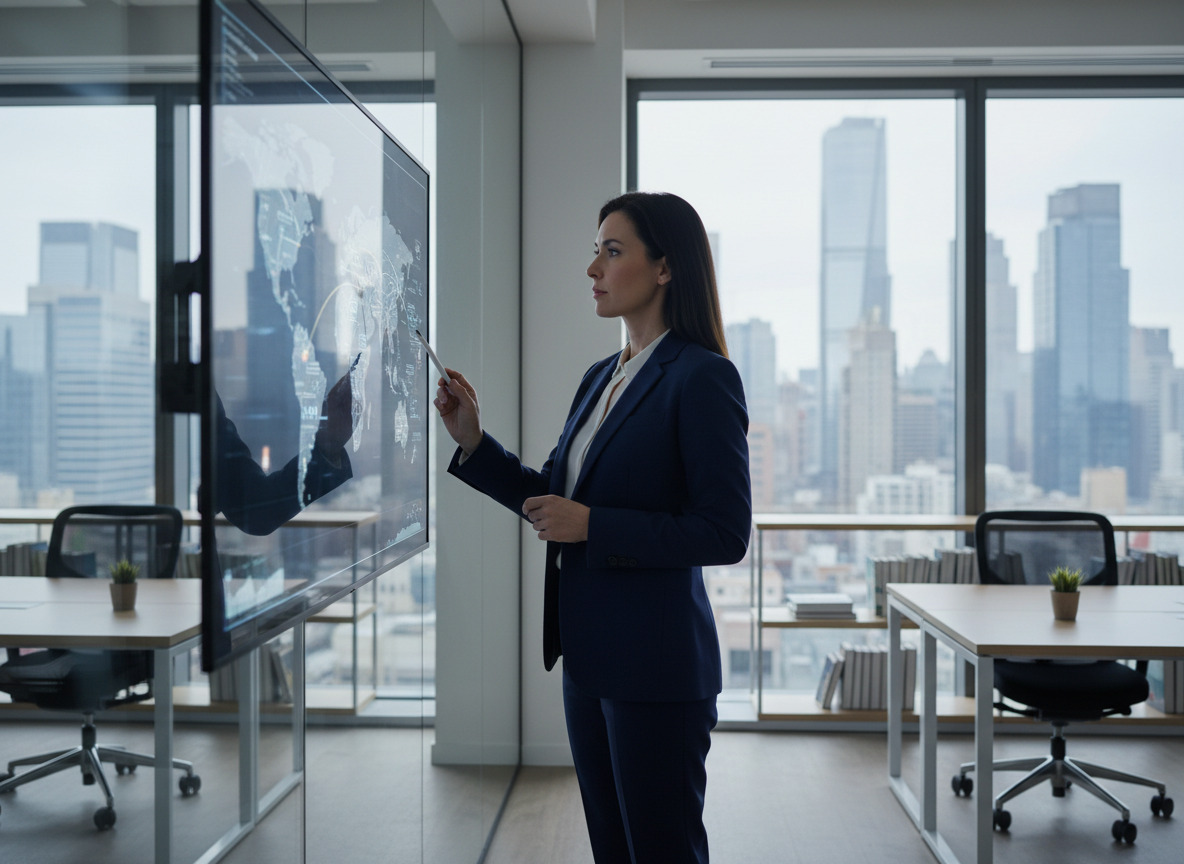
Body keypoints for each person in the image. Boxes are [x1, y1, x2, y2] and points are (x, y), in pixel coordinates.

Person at [433, 191, 751, 863]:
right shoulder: (600, 378)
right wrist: (474, 440)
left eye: (612, 251)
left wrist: (596, 526)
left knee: (661, 851)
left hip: (659, 670)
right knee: (611, 848)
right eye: (595, 250)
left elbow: (724, 532)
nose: (593, 268)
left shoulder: (703, 378)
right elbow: (553, 500)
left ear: (665, 268)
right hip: (589, 662)